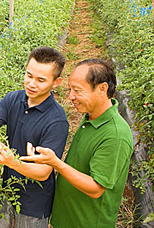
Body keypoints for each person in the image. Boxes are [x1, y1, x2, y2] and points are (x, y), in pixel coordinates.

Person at [20, 59, 134, 228]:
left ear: (102, 89)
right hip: (68, 218)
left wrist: (55, 163)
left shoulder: (115, 136)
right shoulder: (91, 116)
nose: (70, 97)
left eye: (78, 91)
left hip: (86, 222)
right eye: (70, 89)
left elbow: (96, 188)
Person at [0, 46, 69, 228]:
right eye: (29, 75)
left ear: (56, 82)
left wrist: (11, 162)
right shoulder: (13, 99)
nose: (32, 84)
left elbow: (44, 173)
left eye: (41, 80)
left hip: (34, 203)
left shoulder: (56, 121)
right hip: (9, 190)